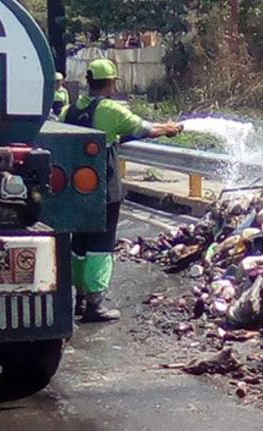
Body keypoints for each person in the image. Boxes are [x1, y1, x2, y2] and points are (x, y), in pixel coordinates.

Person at [61, 59, 183, 322]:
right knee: (100, 246)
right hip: (104, 189)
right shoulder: (110, 110)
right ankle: (96, 305)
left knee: (78, 244)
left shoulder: (69, 112)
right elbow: (145, 129)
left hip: (74, 192)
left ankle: (79, 299)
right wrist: (170, 128)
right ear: (110, 83)